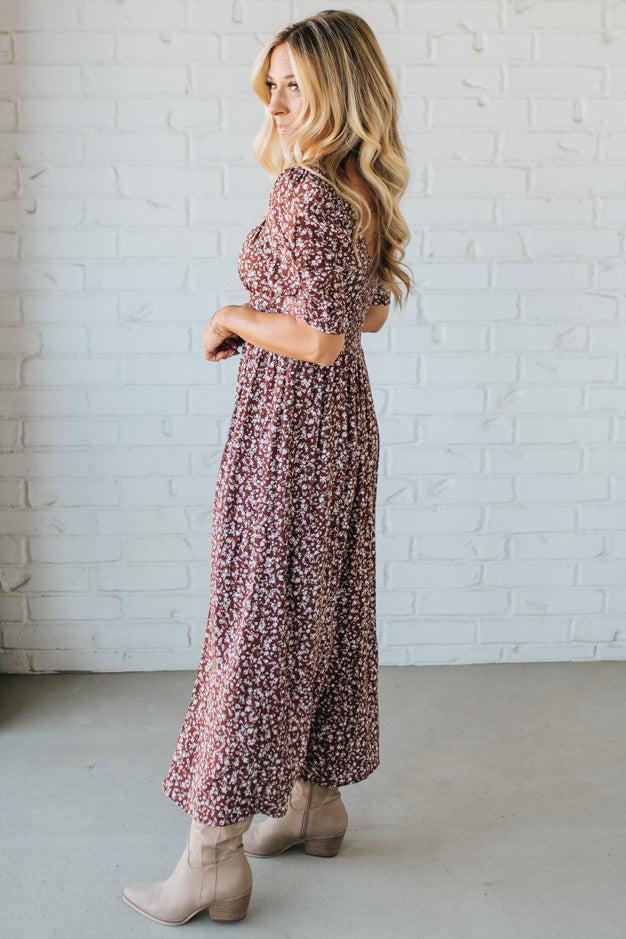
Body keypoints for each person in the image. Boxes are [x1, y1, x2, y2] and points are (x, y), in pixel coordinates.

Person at [122, 9, 412, 926]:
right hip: (338, 434)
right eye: (273, 84)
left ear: (340, 90)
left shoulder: (303, 194)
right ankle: (310, 803)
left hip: (290, 433)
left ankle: (211, 856)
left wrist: (231, 316)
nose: (278, 102)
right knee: (318, 603)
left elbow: (322, 338)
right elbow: (368, 316)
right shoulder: (356, 187)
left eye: (296, 84)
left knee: (256, 623)